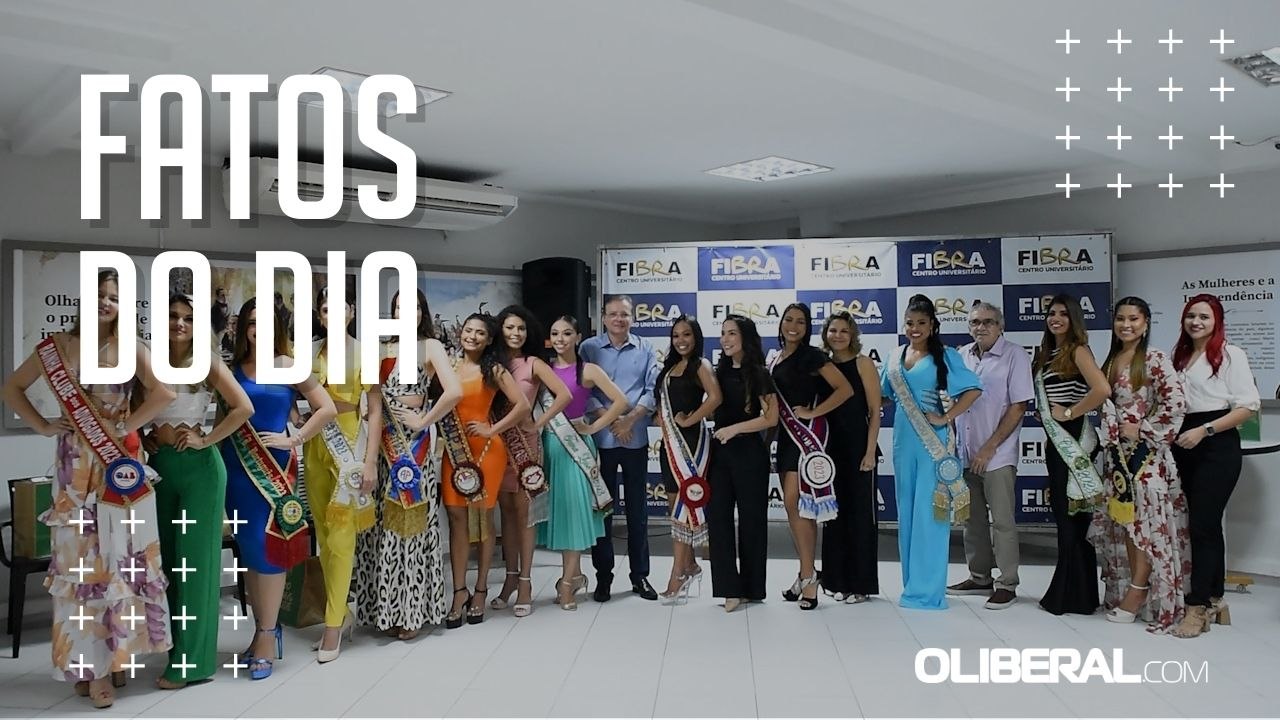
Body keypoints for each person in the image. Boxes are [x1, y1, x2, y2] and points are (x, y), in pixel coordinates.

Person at [2, 270, 176, 708]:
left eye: (114, 297)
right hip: (74, 470)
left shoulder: (128, 347)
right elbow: (12, 388)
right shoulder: (57, 347)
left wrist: (126, 425)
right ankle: (90, 668)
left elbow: (163, 394)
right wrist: (42, 424)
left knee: (119, 561)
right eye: (99, 294)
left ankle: (114, 660)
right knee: (81, 570)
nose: (105, 302)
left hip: (119, 467)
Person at [221, 299, 336, 680]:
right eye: (252, 323)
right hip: (236, 469)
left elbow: (327, 408)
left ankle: (267, 635)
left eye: (265, 323)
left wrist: (296, 438)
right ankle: (262, 630)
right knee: (249, 551)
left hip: (272, 470)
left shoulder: (288, 365)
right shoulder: (232, 368)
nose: (258, 329)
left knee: (268, 550)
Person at [147, 294, 254, 689]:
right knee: (168, 568)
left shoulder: (206, 361)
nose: (180, 324)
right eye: (173, 316)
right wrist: (146, 437)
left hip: (202, 475)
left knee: (196, 569)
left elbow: (242, 408)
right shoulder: (147, 361)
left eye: (189, 318)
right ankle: (173, 647)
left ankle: (192, 663)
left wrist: (206, 439)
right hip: (159, 472)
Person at [353, 289, 462, 641]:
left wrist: (424, 419)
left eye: (413, 307)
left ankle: (413, 609)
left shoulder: (430, 347)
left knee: (413, 529)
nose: (406, 313)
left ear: (422, 312)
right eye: (399, 307)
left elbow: (454, 391)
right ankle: (382, 608)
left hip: (414, 453)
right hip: (382, 449)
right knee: (382, 527)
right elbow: (370, 405)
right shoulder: (380, 349)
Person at [880, 294, 982, 610]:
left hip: (931, 444)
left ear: (933, 325)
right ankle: (912, 586)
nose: (915, 328)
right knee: (908, 513)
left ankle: (928, 591)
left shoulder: (946, 356)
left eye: (921, 323)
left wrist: (946, 417)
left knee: (930, 514)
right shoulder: (894, 357)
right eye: (910, 323)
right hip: (902, 442)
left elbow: (974, 389)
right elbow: (884, 395)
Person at [1094, 297, 1190, 632]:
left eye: (1133, 319)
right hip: (1118, 458)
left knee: (1146, 528)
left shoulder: (1156, 358)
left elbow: (1177, 403)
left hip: (1147, 458)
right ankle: (1132, 589)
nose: (1126, 325)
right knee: (1126, 526)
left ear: (1146, 322)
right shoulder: (1110, 360)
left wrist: (1143, 429)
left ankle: (1138, 593)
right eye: (1120, 319)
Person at [1169, 294, 1260, 637]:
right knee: (1199, 526)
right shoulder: (1179, 356)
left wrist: (1205, 431)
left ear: (1217, 321)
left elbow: (1247, 407)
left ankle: (1198, 607)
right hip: (1183, 442)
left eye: (1204, 317)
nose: (1196, 322)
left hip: (1215, 444)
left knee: (1204, 525)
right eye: (1191, 315)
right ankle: (1216, 598)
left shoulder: (1230, 354)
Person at [303, 286, 382, 663]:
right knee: (322, 535)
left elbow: (377, 409)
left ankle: (333, 624)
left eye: (340, 308)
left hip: (348, 442)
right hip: (314, 445)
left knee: (342, 536)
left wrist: (369, 462)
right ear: (319, 315)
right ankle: (341, 611)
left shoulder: (364, 352)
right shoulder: (311, 352)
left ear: (351, 312)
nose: (332, 314)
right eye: (325, 309)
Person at [440, 314, 530, 627]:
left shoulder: (494, 369)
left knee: (484, 518)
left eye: (481, 333)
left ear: (489, 339)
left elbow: (522, 405)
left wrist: (494, 430)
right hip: (453, 451)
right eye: (468, 330)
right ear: (459, 332)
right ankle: (459, 590)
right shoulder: (447, 365)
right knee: (455, 518)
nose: (473, 337)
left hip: (486, 452)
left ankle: (480, 589)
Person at [538, 316, 629, 610]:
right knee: (561, 511)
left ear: (578, 337)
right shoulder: (545, 370)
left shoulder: (587, 369)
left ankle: (567, 582)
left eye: (567, 333)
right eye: (555, 333)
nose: (561, 338)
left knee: (576, 513)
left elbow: (620, 400)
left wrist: (594, 426)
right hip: (551, 445)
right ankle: (575, 575)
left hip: (576, 447)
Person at [947, 302, 1033, 610]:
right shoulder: (960, 356)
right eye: (974, 322)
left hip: (996, 454)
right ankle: (979, 575)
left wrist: (989, 447)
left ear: (1001, 326)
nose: (980, 327)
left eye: (988, 322)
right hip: (964, 453)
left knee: (1003, 522)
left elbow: (1019, 406)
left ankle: (1007, 583)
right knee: (972, 520)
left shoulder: (1015, 355)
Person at [491, 305, 572, 617]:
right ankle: (510, 579)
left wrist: (539, 423)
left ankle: (525, 582)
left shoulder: (533, 363)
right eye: (510, 327)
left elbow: (563, 394)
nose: (515, 333)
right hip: (498, 445)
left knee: (526, 517)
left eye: (521, 328)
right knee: (507, 514)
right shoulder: (493, 363)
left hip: (525, 447)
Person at [771, 303, 853, 610]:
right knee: (793, 508)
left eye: (801, 322)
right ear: (781, 323)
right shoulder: (776, 357)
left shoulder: (813, 356)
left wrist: (815, 411)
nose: (793, 326)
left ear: (807, 328)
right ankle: (805, 571)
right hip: (786, 438)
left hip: (808, 438)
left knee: (799, 505)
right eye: (788, 319)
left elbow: (843, 389)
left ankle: (809, 578)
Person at [1033, 294, 1110, 617]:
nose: (1056, 319)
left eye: (1064, 314)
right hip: (1056, 442)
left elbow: (1102, 390)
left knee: (1073, 521)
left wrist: (1070, 412)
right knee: (1066, 519)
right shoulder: (1047, 354)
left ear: (1074, 318)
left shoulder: (1077, 350)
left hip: (1076, 440)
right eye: (1052, 313)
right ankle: (1077, 593)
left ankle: (1072, 595)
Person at [581, 295, 662, 601]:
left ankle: (640, 577)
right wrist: (611, 418)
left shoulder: (646, 349)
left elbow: (651, 389)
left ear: (632, 318)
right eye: (613, 314)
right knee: (602, 511)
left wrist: (629, 420)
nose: (619, 319)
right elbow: (581, 391)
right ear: (603, 318)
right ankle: (603, 578)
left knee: (638, 512)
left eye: (624, 315)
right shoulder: (588, 348)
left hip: (635, 438)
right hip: (600, 440)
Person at [708, 315, 778, 612]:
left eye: (732, 333)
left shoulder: (760, 373)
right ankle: (728, 589)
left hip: (750, 454)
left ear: (745, 337)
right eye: (723, 333)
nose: (725, 339)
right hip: (720, 456)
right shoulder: (716, 373)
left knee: (752, 522)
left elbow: (771, 418)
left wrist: (735, 429)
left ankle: (752, 587)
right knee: (719, 520)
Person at [654, 316, 721, 603]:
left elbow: (715, 397)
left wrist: (692, 418)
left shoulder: (700, 365)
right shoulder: (671, 367)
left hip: (691, 446)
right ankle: (690, 564)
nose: (681, 340)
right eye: (676, 335)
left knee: (683, 509)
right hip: (669, 444)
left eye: (687, 335)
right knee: (675, 509)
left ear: (696, 337)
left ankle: (678, 573)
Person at [818, 310, 882, 604]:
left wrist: (870, 451)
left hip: (858, 450)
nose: (838, 336)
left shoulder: (863, 363)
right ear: (826, 333)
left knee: (860, 518)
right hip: (829, 451)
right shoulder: (822, 365)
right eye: (833, 330)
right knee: (834, 517)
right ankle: (836, 580)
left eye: (844, 331)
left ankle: (861, 585)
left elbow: (875, 411)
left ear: (853, 335)